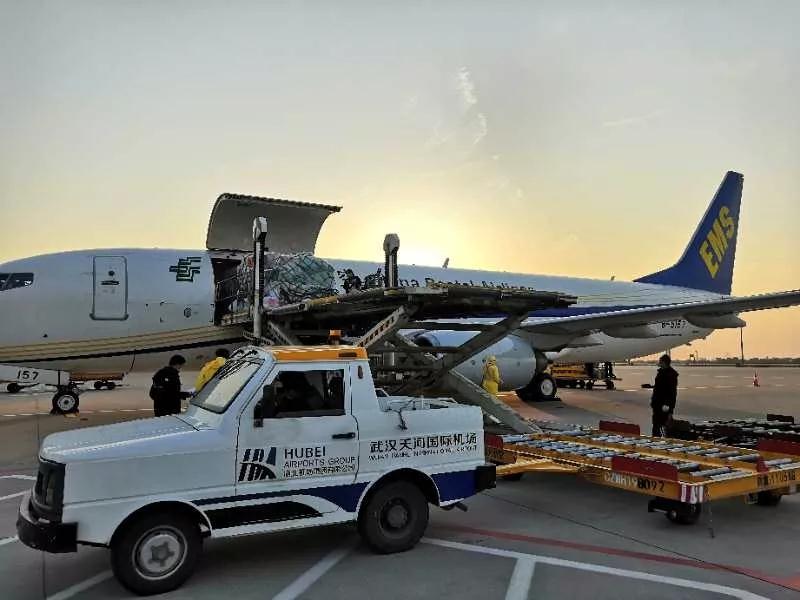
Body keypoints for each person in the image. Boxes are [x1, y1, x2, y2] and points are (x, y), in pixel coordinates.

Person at [650, 354, 679, 436]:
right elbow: (661, 387)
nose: (659, 363)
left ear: (664, 363)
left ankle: (659, 440)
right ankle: (656, 439)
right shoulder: (661, 372)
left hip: (664, 406)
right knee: (656, 425)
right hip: (657, 404)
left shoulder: (671, 375)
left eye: (660, 361)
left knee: (662, 425)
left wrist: (670, 408)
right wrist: (652, 386)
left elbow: (672, 393)